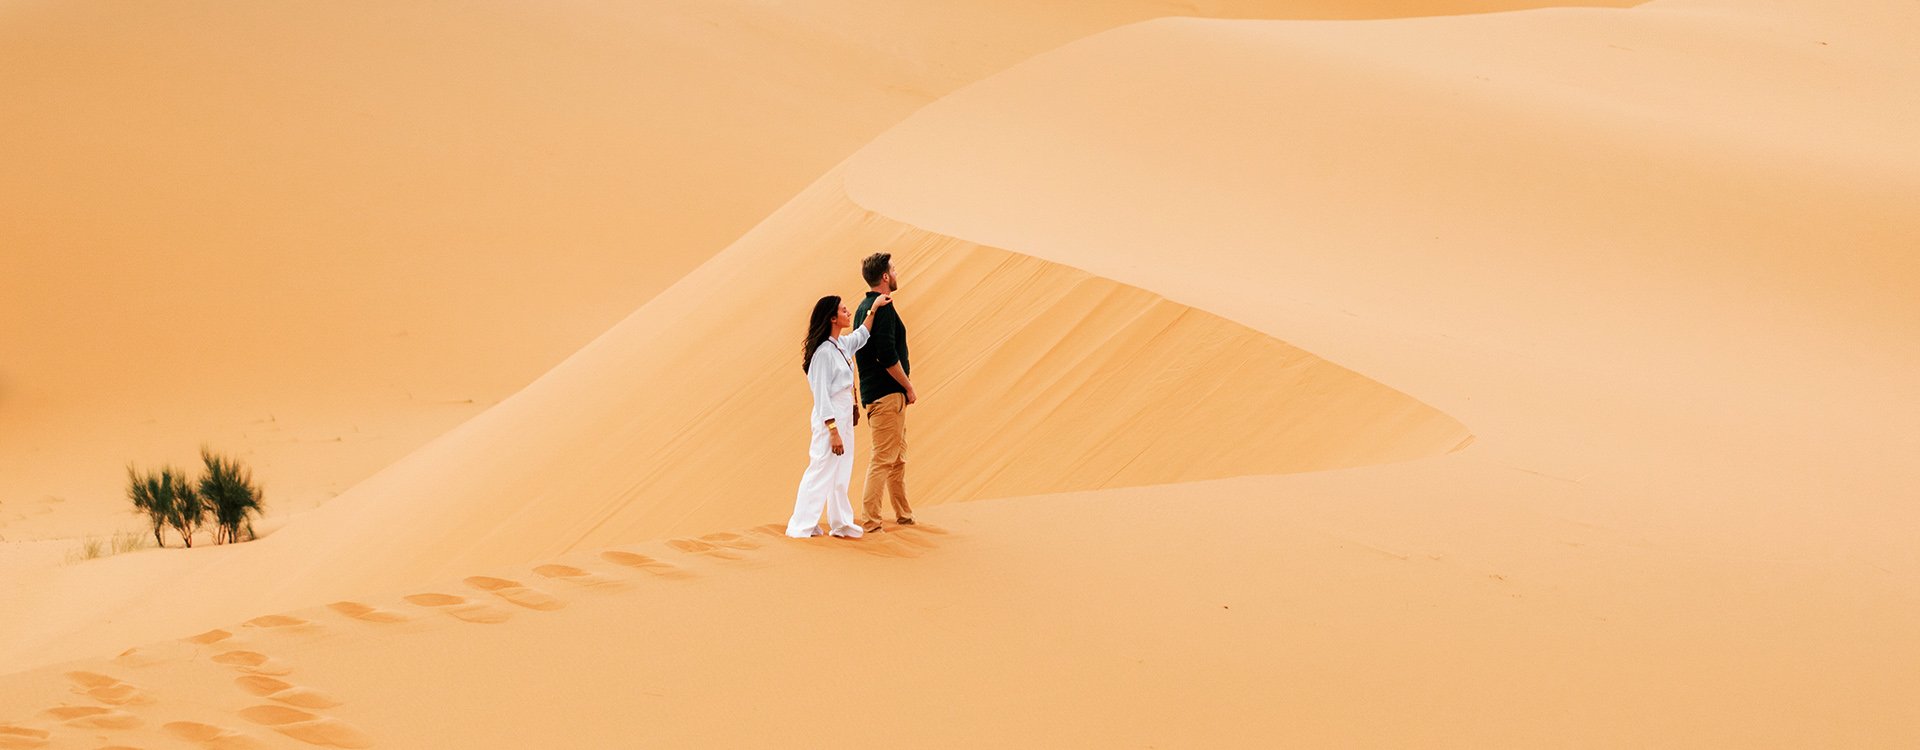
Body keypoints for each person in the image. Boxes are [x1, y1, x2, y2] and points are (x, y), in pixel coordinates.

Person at [787, 292, 891, 538]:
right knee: (822, 466)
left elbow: (862, 334)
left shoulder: (841, 345)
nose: (848, 313)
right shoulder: (823, 353)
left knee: (841, 469)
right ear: (833, 318)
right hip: (830, 418)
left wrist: (874, 308)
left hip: (844, 415)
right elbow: (821, 395)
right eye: (844, 310)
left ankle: (841, 522)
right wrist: (832, 430)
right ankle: (801, 525)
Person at [852, 252, 915, 533]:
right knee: (882, 459)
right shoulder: (882, 307)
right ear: (886, 277)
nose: (897, 272)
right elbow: (887, 355)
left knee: (896, 458)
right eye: (894, 268)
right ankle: (871, 522)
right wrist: (908, 386)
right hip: (887, 395)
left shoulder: (865, 308)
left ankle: (904, 515)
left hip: (882, 395)